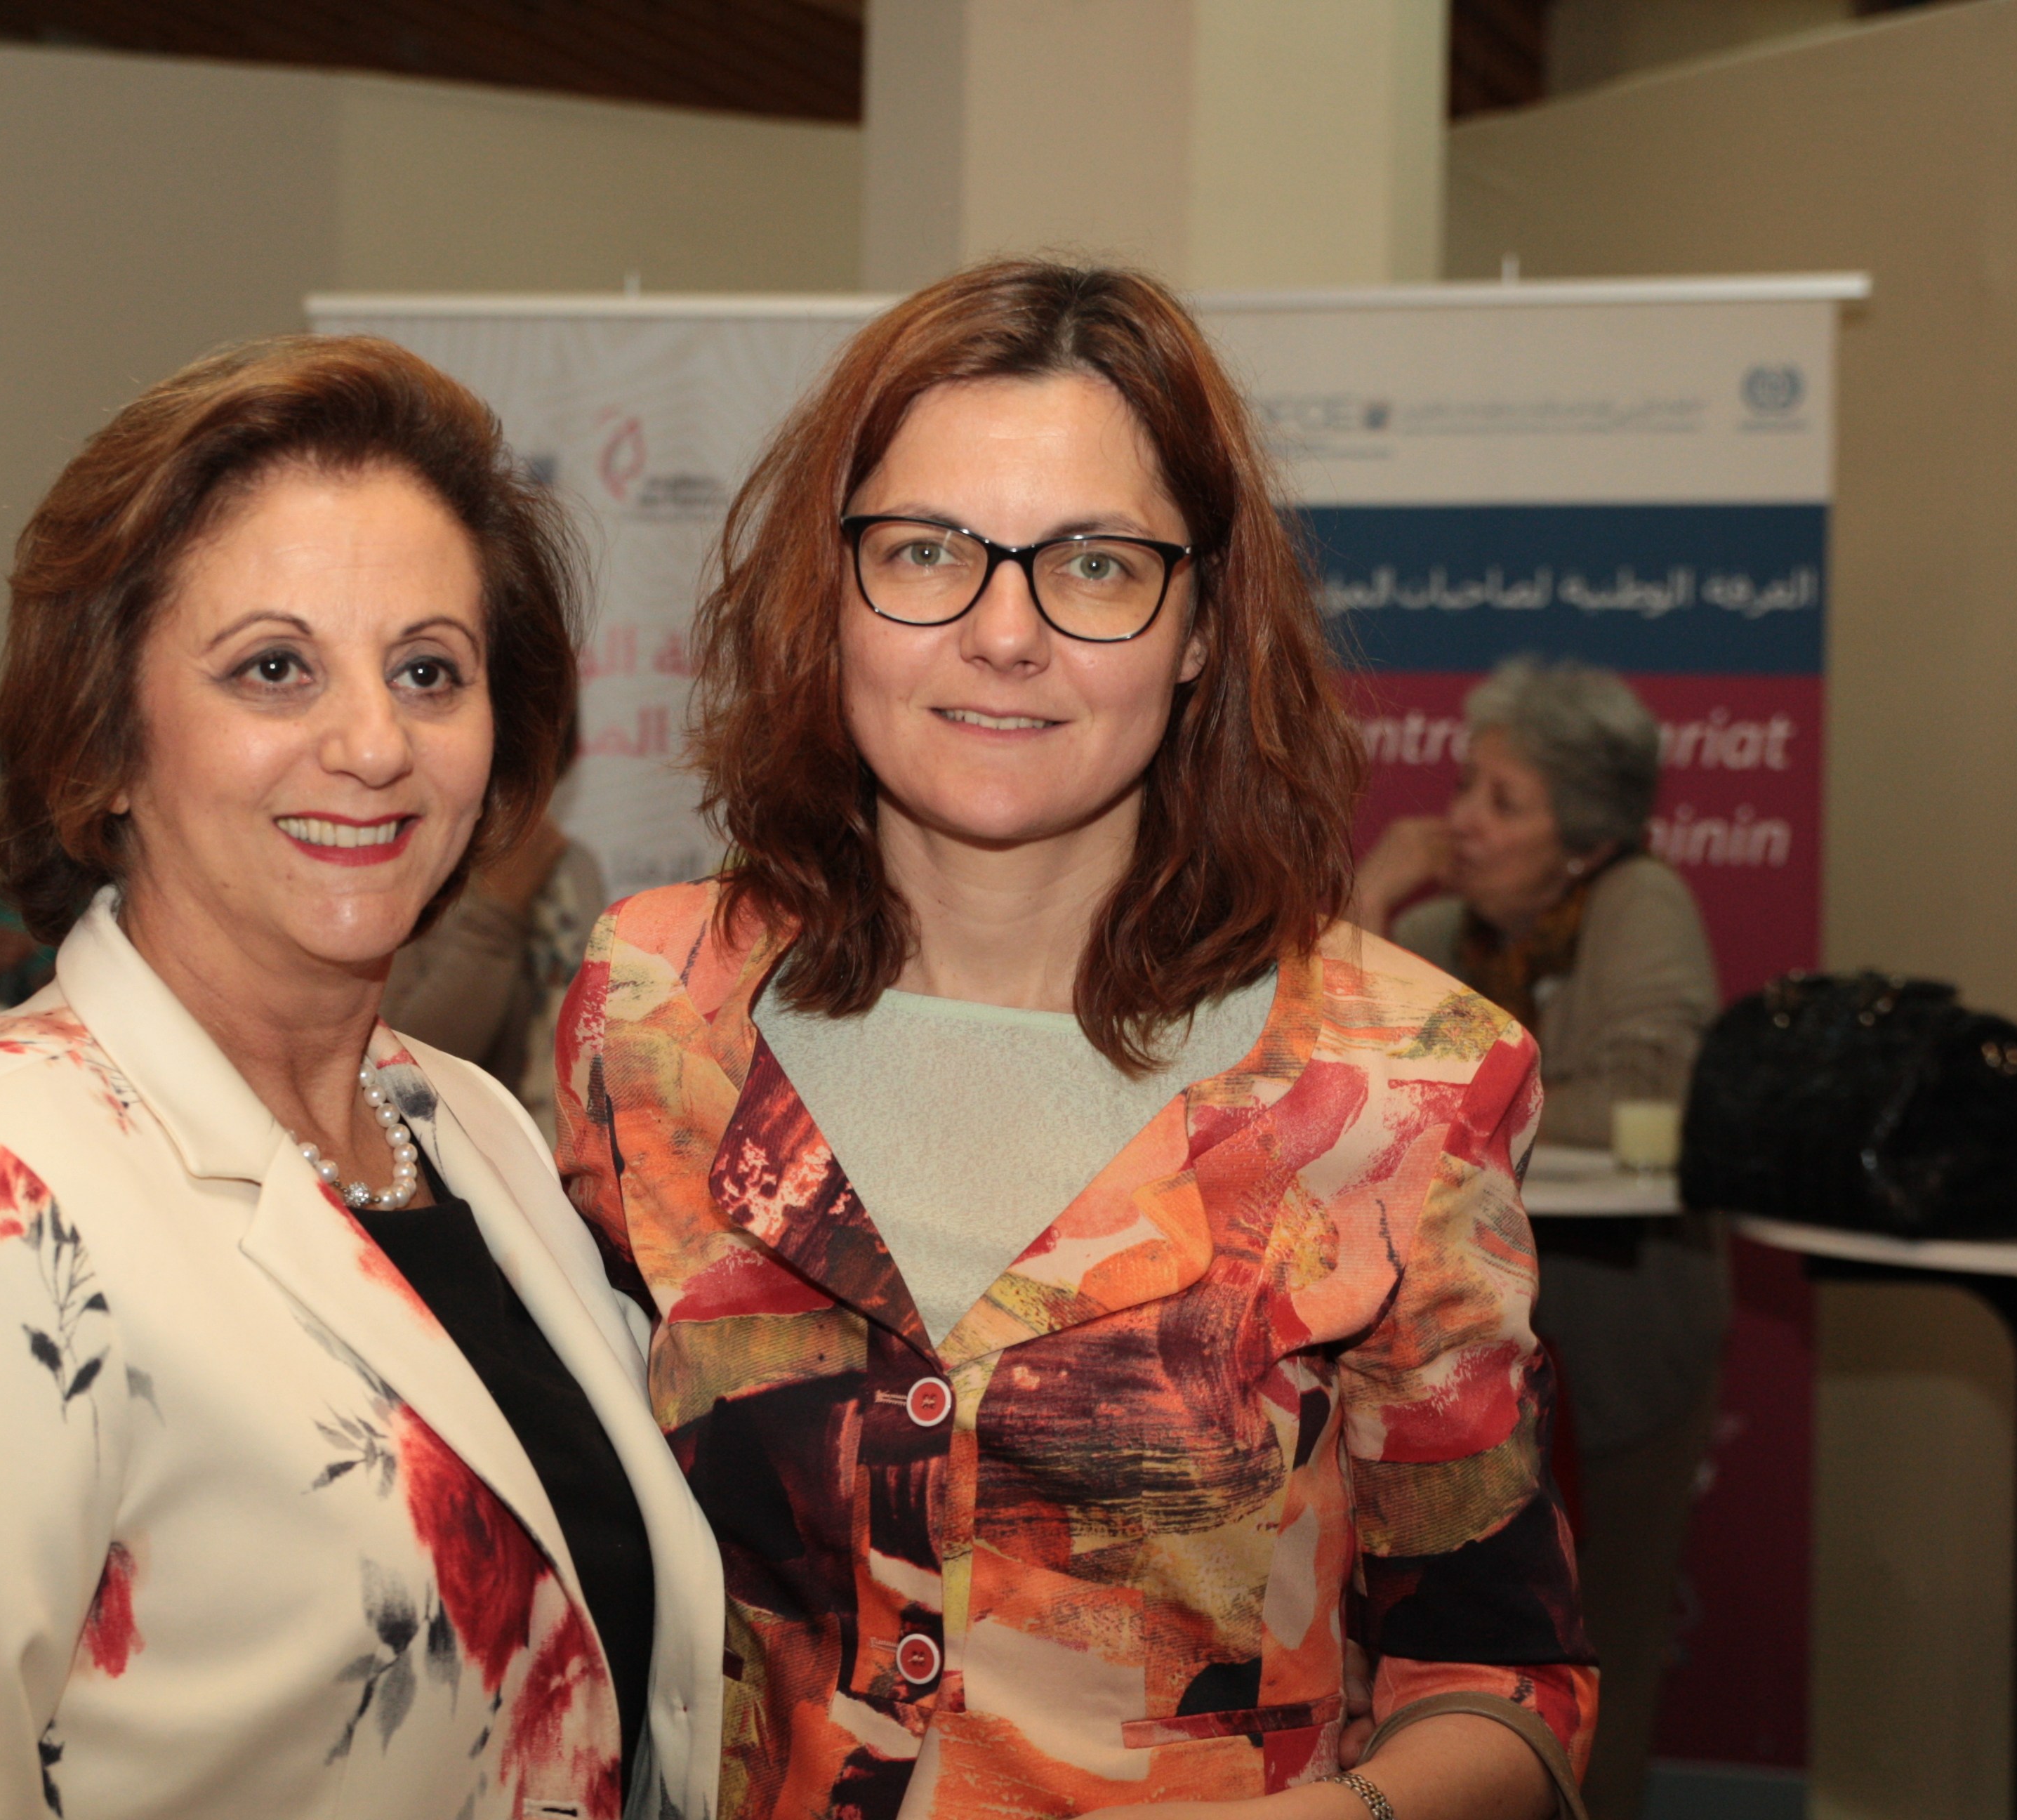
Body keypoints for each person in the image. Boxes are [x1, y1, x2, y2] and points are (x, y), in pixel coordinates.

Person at [556, 261, 1596, 1820]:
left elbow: (1504, 1681)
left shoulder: (1405, 1084)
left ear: (1199, 629)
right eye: (925, 551)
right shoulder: (654, 1011)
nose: (1004, 633)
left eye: (1096, 566)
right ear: (830, 592)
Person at [0, 338, 725, 1820]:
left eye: (428, 671)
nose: (374, 743)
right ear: (106, 741)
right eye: (275, 668)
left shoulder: (469, 1124)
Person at [1353, 658, 1722, 1820]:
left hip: (1621, 1337)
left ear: (1586, 834)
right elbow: (1324, 1078)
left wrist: (1464, 1100)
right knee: (1433, 1648)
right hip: (1443, 1349)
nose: (1460, 819)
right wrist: (1369, 896)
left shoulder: (1637, 901)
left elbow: (1655, 1096)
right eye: (1465, 785)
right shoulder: (1432, 929)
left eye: (1502, 800)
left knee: (1599, 1633)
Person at [383, 704, 607, 1135]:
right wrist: (499, 911)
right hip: (457, 1151)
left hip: (566, 1157)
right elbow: (398, 1070)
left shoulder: (576, 865)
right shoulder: (411, 861)